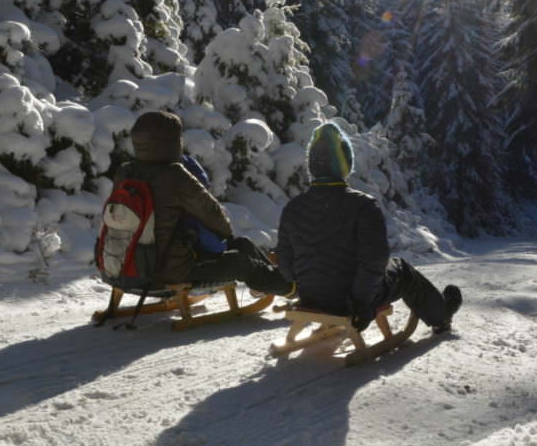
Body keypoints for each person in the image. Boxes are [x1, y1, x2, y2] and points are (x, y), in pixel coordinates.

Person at [275, 122, 462, 334]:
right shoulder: (362, 205)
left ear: (312, 166)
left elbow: (286, 264)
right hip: (352, 302)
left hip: (310, 297)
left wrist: (306, 286)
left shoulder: (293, 207)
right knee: (402, 269)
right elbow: (374, 260)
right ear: (345, 164)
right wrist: (362, 303)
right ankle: (441, 316)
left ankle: (328, 298)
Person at [113, 111, 294, 296]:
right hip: (167, 274)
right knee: (240, 260)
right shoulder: (174, 175)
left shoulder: (125, 172)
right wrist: (224, 235)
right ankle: (290, 288)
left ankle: (272, 281)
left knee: (243, 245)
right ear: (171, 142)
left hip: (120, 267)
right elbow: (211, 213)